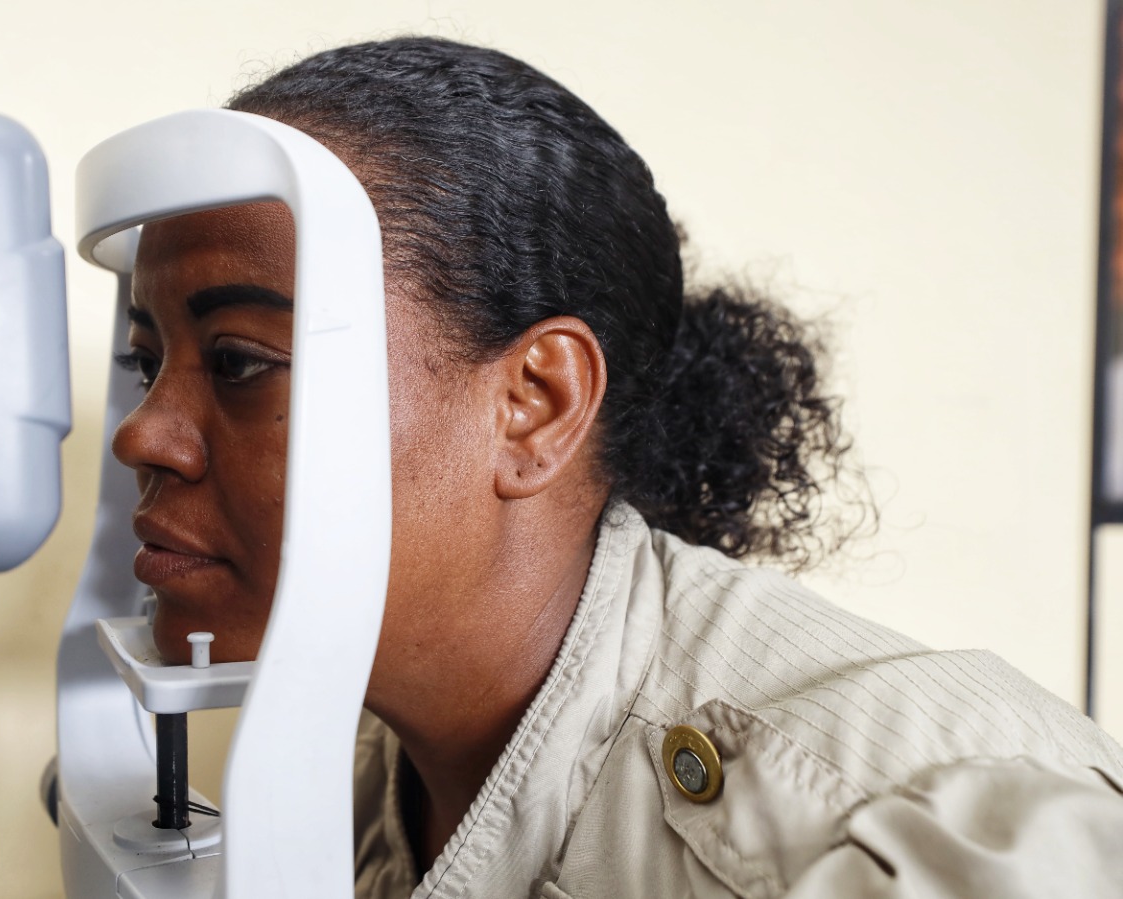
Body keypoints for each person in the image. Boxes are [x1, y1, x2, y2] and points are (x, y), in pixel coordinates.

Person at [110, 36, 1123, 898]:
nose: (141, 435)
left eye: (241, 361)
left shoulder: (901, 838)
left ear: (534, 404)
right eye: (146, 366)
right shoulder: (344, 774)